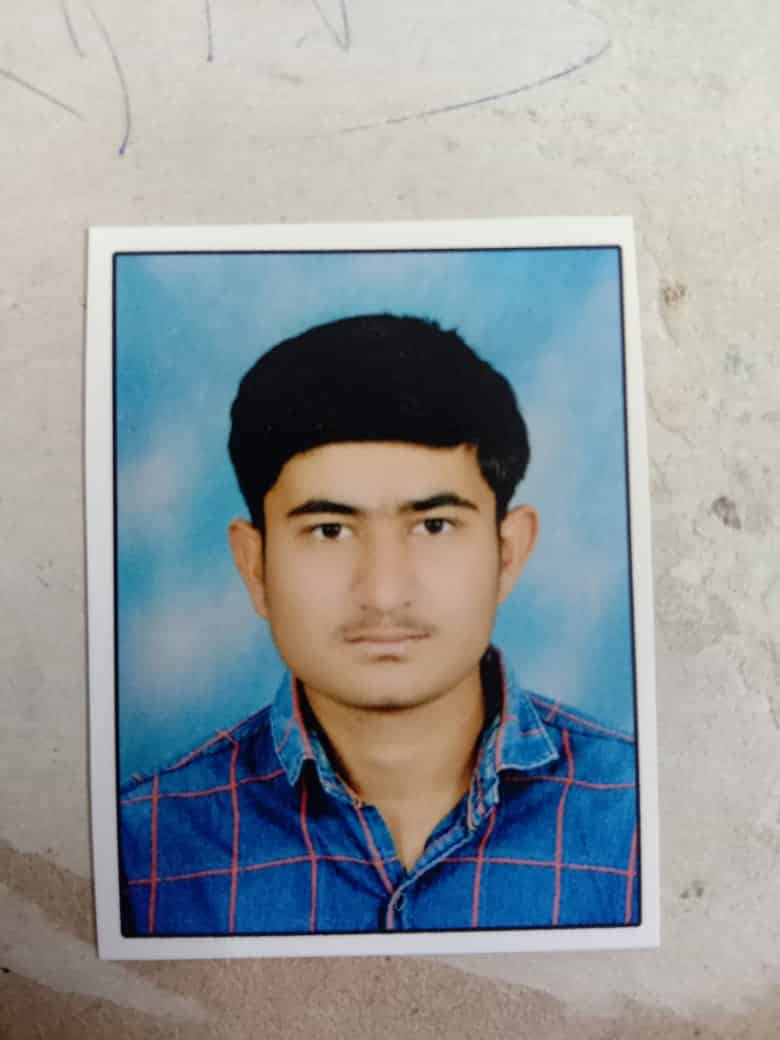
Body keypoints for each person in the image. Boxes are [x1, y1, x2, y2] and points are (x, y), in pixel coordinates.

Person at [119, 314, 639, 937]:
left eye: (434, 526)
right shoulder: (141, 847)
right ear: (255, 566)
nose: (384, 593)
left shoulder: (639, 816)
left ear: (508, 553)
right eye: (330, 531)